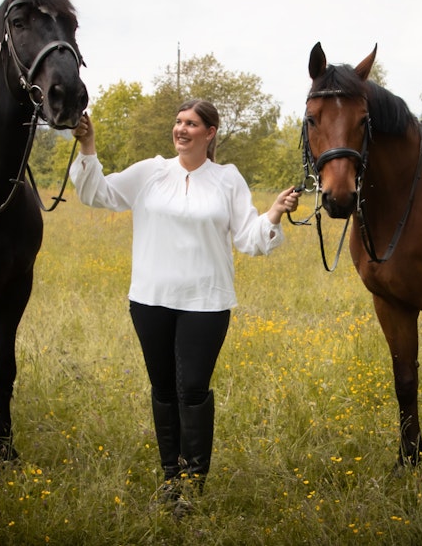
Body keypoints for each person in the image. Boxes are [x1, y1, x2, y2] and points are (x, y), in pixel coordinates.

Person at [70, 99, 300, 517]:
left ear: (209, 133)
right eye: (178, 122)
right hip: (150, 300)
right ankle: (170, 481)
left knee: (192, 388)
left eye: (191, 124)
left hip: (206, 302)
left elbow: (248, 237)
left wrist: (273, 214)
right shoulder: (150, 172)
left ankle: (194, 484)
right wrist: (89, 147)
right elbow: (97, 193)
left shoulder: (227, 179)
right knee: (162, 390)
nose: (181, 129)